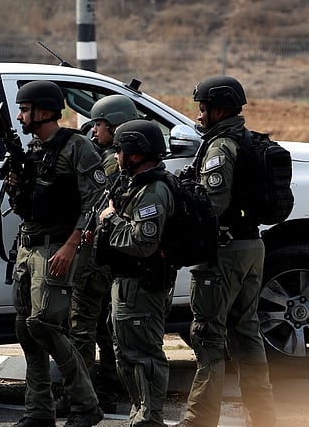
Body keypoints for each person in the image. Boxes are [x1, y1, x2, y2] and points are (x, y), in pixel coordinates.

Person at [175, 76, 276, 427]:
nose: (199, 115)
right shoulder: (249, 140)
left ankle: (199, 420)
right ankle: (263, 417)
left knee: (208, 336)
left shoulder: (220, 147)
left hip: (225, 252)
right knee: (247, 333)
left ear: (219, 110)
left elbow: (212, 204)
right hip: (252, 247)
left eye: (203, 109)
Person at [6, 80, 105, 427]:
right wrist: (17, 185)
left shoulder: (77, 147)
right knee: (25, 328)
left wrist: (71, 245)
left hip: (57, 246)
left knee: (44, 324)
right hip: (28, 246)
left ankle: (85, 404)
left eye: (25, 109)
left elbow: (96, 200)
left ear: (45, 111)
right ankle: (38, 410)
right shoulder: (34, 150)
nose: (21, 116)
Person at [95, 119, 175, 426]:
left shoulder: (153, 191)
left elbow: (142, 243)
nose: (116, 156)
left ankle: (149, 420)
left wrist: (110, 219)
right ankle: (140, 416)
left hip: (142, 285)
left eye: (120, 150)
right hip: (128, 284)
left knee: (144, 358)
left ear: (137, 153)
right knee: (127, 355)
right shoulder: (136, 185)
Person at [65, 95, 139, 414]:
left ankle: (81, 394)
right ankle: (110, 384)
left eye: (99, 125)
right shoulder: (133, 159)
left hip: (96, 251)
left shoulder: (110, 162)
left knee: (82, 322)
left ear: (115, 126)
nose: (94, 131)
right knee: (106, 325)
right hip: (116, 252)